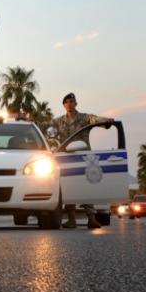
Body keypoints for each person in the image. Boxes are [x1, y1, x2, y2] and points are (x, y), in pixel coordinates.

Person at [51, 92, 114, 229]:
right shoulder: (58, 121)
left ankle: (91, 219)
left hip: (84, 157)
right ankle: (71, 219)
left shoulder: (84, 118)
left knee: (87, 187)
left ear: (76, 104)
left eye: (72, 101)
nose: (69, 104)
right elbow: (44, 125)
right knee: (69, 188)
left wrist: (106, 120)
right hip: (66, 158)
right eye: (67, 102)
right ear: (63, 105)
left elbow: (95, 119)